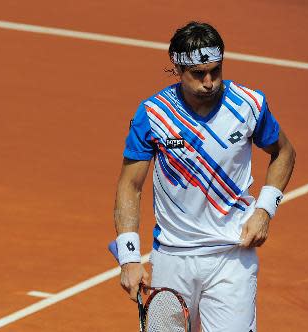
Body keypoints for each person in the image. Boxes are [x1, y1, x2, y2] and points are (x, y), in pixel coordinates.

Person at [113, 21, 296, 331]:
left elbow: (285, 153)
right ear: (178, 69)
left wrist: (265, 209)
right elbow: (130, 187)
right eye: (199, 74)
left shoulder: (249, 105)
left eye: (216, 70)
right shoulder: (154, 115)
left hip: (232, 257)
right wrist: (129, 257)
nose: (209, 82)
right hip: (172, 258)